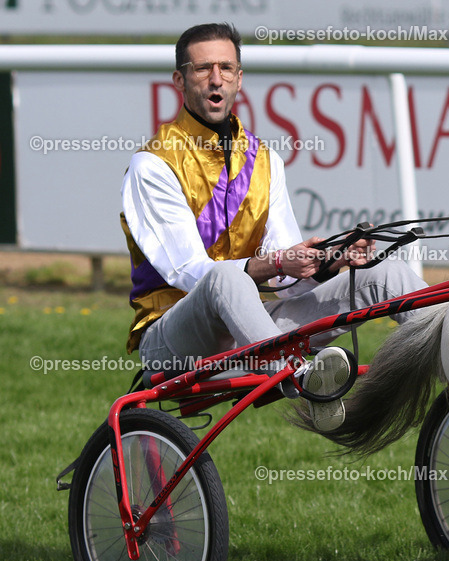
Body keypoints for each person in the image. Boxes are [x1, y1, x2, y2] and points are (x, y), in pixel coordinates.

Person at [120, 23, 425, 432]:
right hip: (174, 344)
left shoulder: (265, 161)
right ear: (179, 79)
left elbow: (286, 280)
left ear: (239, 79)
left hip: (253, 333)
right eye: (202, 68)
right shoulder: (152, 165)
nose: (216, 79)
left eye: (226, 68)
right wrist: (272, 263)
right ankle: (306, 382)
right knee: (224, 277)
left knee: (378, 275)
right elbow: (193, 274)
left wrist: (328, 261)